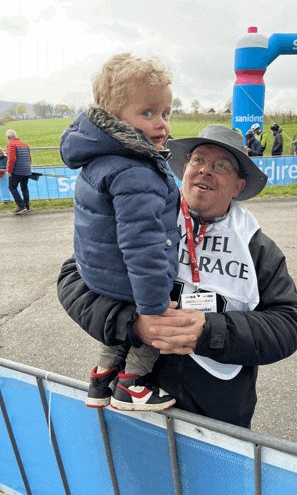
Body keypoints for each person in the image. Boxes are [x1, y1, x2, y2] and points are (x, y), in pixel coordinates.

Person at [57, 124, 297, 429]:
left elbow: (289, 323)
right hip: (133, 403)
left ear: (238, 186)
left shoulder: (255, 246)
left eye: (221, 165)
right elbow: (73, 277)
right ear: (184, 169)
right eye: (198, 160)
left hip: (218, 414)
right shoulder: (142, 215)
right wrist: (132, 324)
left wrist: (210, 331)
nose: (205, 171)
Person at [59, 52, 182, 412]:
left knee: (117, 334)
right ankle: (132, 385)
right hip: (129, 279)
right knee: (152, 328)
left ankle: (101, 378)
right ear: (114, 119)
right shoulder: (135, 172)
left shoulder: (99, 160)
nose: (162, 124)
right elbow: (142, 244)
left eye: (165, 113)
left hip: (100, 275)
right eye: (147, 113)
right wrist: (154, 307)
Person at [5, 129, 32, 214]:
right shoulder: (25, 144)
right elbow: (29, 158)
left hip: (17, 170)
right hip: (26, 170)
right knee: (24, 187)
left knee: (12, 187)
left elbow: (12, 159)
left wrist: (8, 170)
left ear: (8, 137)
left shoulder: (11, 144)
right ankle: (27, 206)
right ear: (16, 136)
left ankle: (21, 205)